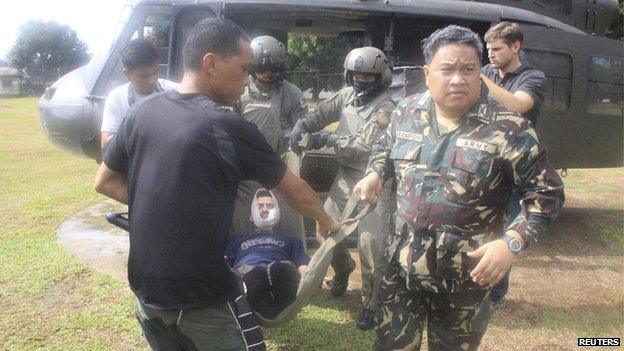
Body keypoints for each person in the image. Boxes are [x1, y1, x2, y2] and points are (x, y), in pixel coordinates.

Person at [94, 18, 340, 351]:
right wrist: (329, 225)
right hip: (203, 298)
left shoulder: (141, 113)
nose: (246, 80)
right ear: (210, 64)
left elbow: (105, 181)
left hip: (146, 294)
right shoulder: (228, 125)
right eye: (242, 69)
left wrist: (165, 207)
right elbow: (297, 192)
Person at [354, 25, 564, 350]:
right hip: (401, 269)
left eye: (468, 69)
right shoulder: (406, 112)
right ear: (427, 73)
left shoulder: (510, 128)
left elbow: (547, 193)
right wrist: (375, 173)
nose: (458, 79)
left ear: (481, 72)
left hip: (466, 279)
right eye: (447, 69)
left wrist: (511, 243)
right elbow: (384, 148)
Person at [289, 47, 395, 331]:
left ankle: (372, 304)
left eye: (368, 77)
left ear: (380, 77)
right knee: (325, 229)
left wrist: (324, 139)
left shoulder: (386, 108)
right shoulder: (348, 94)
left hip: (374, 180)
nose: (361, 81)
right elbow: (324, 111)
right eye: (356, 75)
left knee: (370, 246)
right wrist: (305, 123)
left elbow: (364, 148)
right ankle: (343, 268)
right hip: (345, 177)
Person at [480, 21, 547, 306]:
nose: (490, 54)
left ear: (515, 46)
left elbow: (518, 105)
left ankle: (495, 296)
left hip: (514, 166)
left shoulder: (532, 77)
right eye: (487, 49)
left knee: (502, 231)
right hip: (482, 160)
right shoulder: (486, 71)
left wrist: (480, 80)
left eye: (496, 49)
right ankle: (474, 284)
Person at [231, 35, 306, 246]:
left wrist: (298, 135)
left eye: (273, 69)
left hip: (280, 167)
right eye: (262, 68)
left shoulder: (292, 93)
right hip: (246, 170)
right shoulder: (239, 91)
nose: (267, 73)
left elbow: (303, 128)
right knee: (240, 223)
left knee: (291, 224)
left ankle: (293, 265)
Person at [226, 188, 310, 319]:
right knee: (256, 274)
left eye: (270, 206)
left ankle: (279, 306)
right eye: (260, 206)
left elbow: (302, 265)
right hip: (248, 272)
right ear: (250, 216)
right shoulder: (237, 240)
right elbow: (227, 266)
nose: (265, 209)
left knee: (280, 269)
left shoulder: (291, 241)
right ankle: (263, 307)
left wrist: (309, 280)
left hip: (282, 269)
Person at [100, 38, 179, 149]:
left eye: (155, 73)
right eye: (143, 76)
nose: (152, 80)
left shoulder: (173, 90)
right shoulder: (116, 98)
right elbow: (106, 144)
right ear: (127, 74)